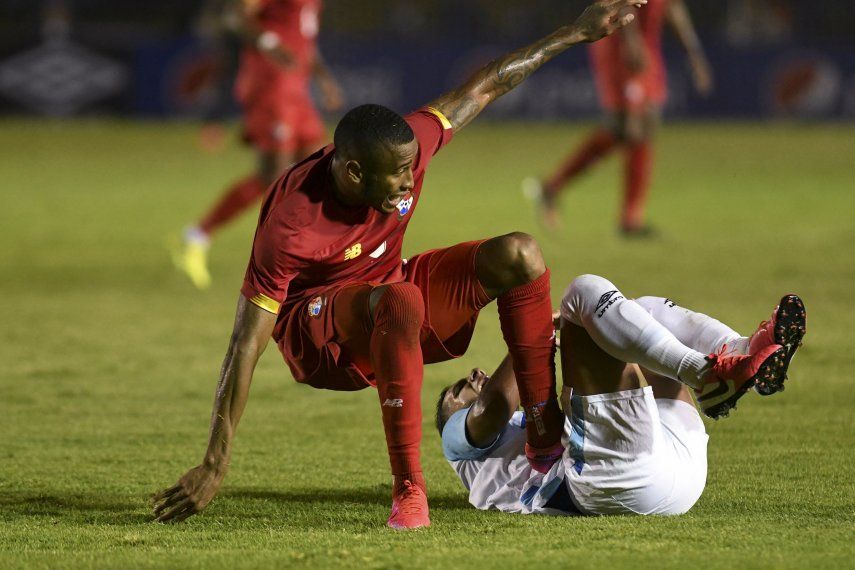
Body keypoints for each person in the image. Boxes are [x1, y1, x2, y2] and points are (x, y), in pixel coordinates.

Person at [153, 0, 649, 530]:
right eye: (397, 176)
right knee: (400, 298)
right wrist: (215, 461)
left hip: (388, 293)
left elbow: (485, 85)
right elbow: (244, 343)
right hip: (318, 336)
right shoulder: (293, 223)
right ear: (352, 171)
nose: (410, 183)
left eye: (413, 168)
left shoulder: (403, 149)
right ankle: (410, 490)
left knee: (520, 253)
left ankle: (545, 437)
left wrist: (574, 32)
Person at [436, 274, 805, 515]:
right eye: (457, 391)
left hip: (676, 454)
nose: (472, 375)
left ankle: (739, 353)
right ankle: (704, 373)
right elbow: (492, 409)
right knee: (582, 295)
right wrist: (531, 336)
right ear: (451, 421)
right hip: (614, 481)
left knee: (637, 312)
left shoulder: (523, 426)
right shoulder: (457, 444)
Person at [173, 0, 344, 289]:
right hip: (271, 83)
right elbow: (237, 15)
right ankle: (201, 236)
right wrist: (268, 43)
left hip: (296, 88)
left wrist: (323, 78)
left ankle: (316, 255)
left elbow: (303, 37)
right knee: (274, 174)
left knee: (319, 166)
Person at [524, 0, 712, 235]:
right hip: (618, 38)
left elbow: (672, 7)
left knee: (646, 124)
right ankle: (556, 189)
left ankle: (629, 217)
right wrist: (630, 40)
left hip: (648, 43)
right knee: (628, 127)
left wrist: (694, 54)